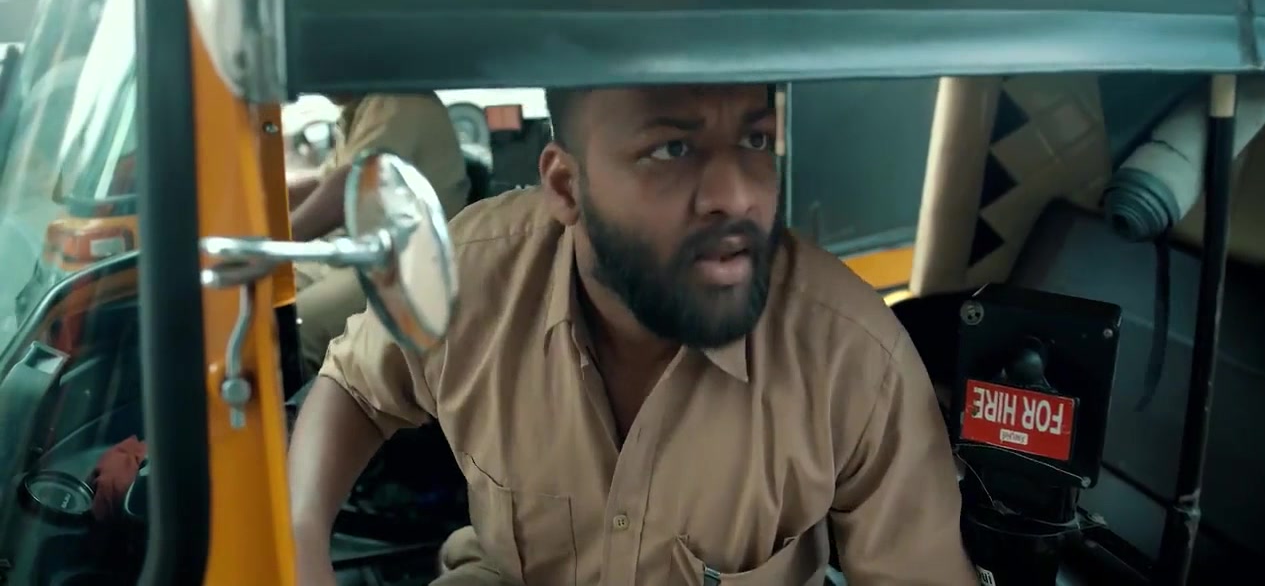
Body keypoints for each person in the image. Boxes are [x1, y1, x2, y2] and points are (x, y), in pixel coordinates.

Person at [288, 84, 975, 586]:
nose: (735, 195)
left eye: (755, 141)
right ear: (566, 187)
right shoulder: (474, 276)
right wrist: (298, 535)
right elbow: (356, 385)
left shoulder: (853, 357)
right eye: (672, 149)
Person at [287, 92, 470, 377]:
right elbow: (324, 181)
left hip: (403, 265)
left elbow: (349, 184)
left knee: (292, 327)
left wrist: (280, 242)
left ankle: (307, 402)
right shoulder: (361, 108)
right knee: (260, 294)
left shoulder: (399, 101)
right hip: (360, 249)